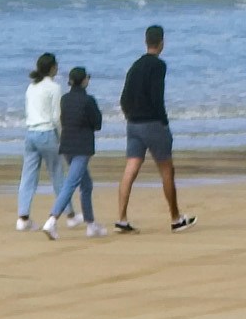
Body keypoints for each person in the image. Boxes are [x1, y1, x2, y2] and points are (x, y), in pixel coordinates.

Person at [110, 21, 187, 233]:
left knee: (130, 170)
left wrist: (129, 116)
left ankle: (122, 218)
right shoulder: (158, 66)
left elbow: (124, 98)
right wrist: (163, 122)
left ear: (146, 42)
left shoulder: (134, 66)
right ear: (161, 43)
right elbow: (156, 97)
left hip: (133, 124)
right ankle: (175, 218)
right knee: (166, 170)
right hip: (152, 123)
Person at [50, 59, 107, 235]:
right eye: (87, 77)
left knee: (86, 184)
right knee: (71, 182)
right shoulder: (88, 100)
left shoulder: (65, 99)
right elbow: (97, 123)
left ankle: (91, 224)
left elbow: (64, 119)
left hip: (67, 144)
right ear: (83, 81)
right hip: (82, 146)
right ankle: (52, 219)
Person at [13, 46, 62, 231]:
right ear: (52, 68)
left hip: (31, 132)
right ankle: (70, 213)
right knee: (57, 174)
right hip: (47, 132)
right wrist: (61, 136)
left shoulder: (31, 86)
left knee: (28, 176)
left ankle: (23, 216)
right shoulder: (54, 87)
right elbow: (56, 116)